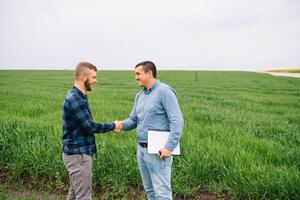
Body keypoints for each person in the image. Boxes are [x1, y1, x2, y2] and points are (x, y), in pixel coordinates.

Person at [118, 61, 184, 200]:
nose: (135, 77)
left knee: (162, 194)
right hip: (141, 150)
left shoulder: (164, 91)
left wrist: (169, 147)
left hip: (158, 152)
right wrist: (118, 125)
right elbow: (133, 120)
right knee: (150, 193)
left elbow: (177, 121)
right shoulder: (140, 96)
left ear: (149, 73)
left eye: (138, 73)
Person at [62, 61, 122, 200]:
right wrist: (113, 125)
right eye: (93, 77)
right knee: (84, 196)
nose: (95, 81)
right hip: (78, 155)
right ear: (84, 77)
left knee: (74, 194)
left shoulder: (80, 96)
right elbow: (89, 126)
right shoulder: (74, 98)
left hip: (78, 153)